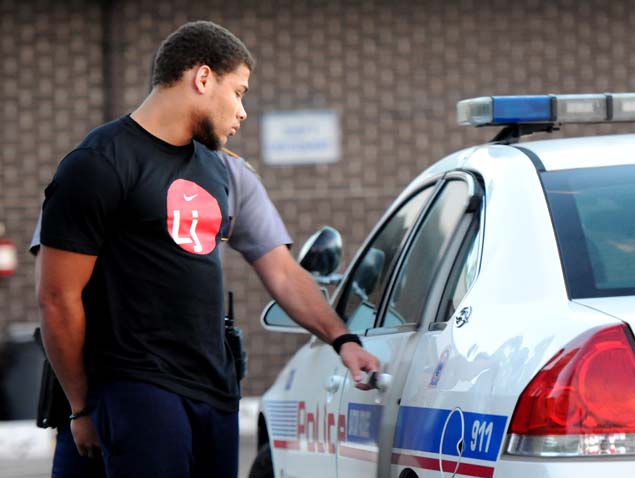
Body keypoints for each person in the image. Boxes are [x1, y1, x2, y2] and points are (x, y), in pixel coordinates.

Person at [37, 20, 379, 478]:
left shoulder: (220, 171)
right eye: (238, 92)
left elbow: (281, 271)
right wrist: (81, 409)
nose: (241, 112)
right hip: (137, 385)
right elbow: (57, 298)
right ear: (202, 78)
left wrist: (343, 340)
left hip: (214, 389)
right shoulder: (99, 164)